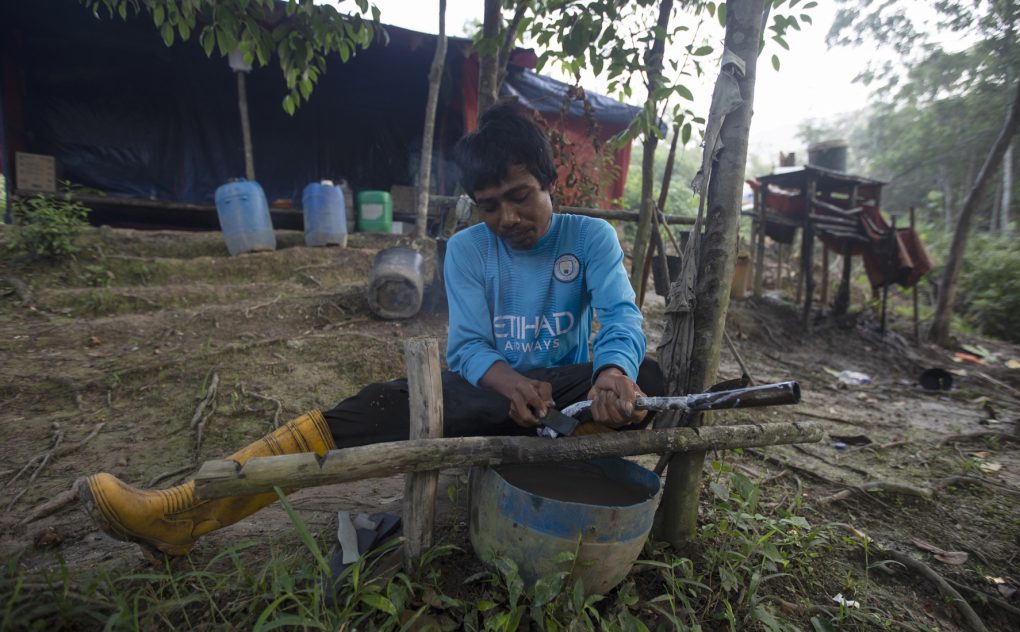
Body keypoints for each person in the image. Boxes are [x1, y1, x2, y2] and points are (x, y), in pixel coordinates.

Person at [78, 101, 664, 559]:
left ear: (548, 180)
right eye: (490, 206)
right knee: (366, 410)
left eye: (520, 197)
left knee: (649, 377)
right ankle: (181, 513)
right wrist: (511, 385)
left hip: (561, 397)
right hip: (493, 393)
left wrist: (612, 375)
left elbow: (620, 315)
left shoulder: (589, 238)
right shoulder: (467, 249)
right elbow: (468, 347)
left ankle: (562, 464)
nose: (507, 218)